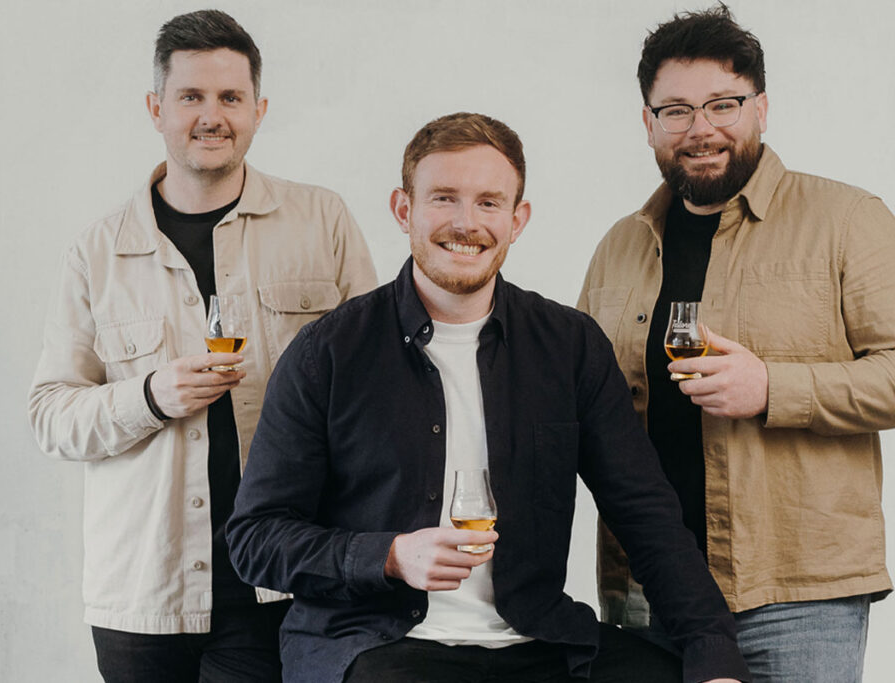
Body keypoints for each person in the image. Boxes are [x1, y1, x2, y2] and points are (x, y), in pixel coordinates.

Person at [226, 112, 750, 683]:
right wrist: (390, 556)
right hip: (378, 644)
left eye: (489, 203)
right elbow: (256, 539)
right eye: (444, 198)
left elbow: (644, 513)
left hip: (539, 638)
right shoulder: (326, 353)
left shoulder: (569, 345)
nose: (465, 223)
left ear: (517, 219)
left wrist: (711, 653)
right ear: (404, 210)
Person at [578, 5, 895, 682]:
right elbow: (582, 402)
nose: (701, 129)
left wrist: (772, 388)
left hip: (795, 593)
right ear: (648, 123)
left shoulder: (846, 219)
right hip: (645, 587)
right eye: (676, 110)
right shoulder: (619, 245)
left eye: (723, 104)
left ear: (761, 108)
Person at [28, 10, 376, 682]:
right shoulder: (95, 252)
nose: (211, 115)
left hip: (281, 581)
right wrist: (151, 396)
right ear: (156, 108)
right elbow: (51, 414)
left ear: (258, 109)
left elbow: (382, 385)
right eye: (190, 96)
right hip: (143, 596)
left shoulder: (322, 221)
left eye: (229, 97)